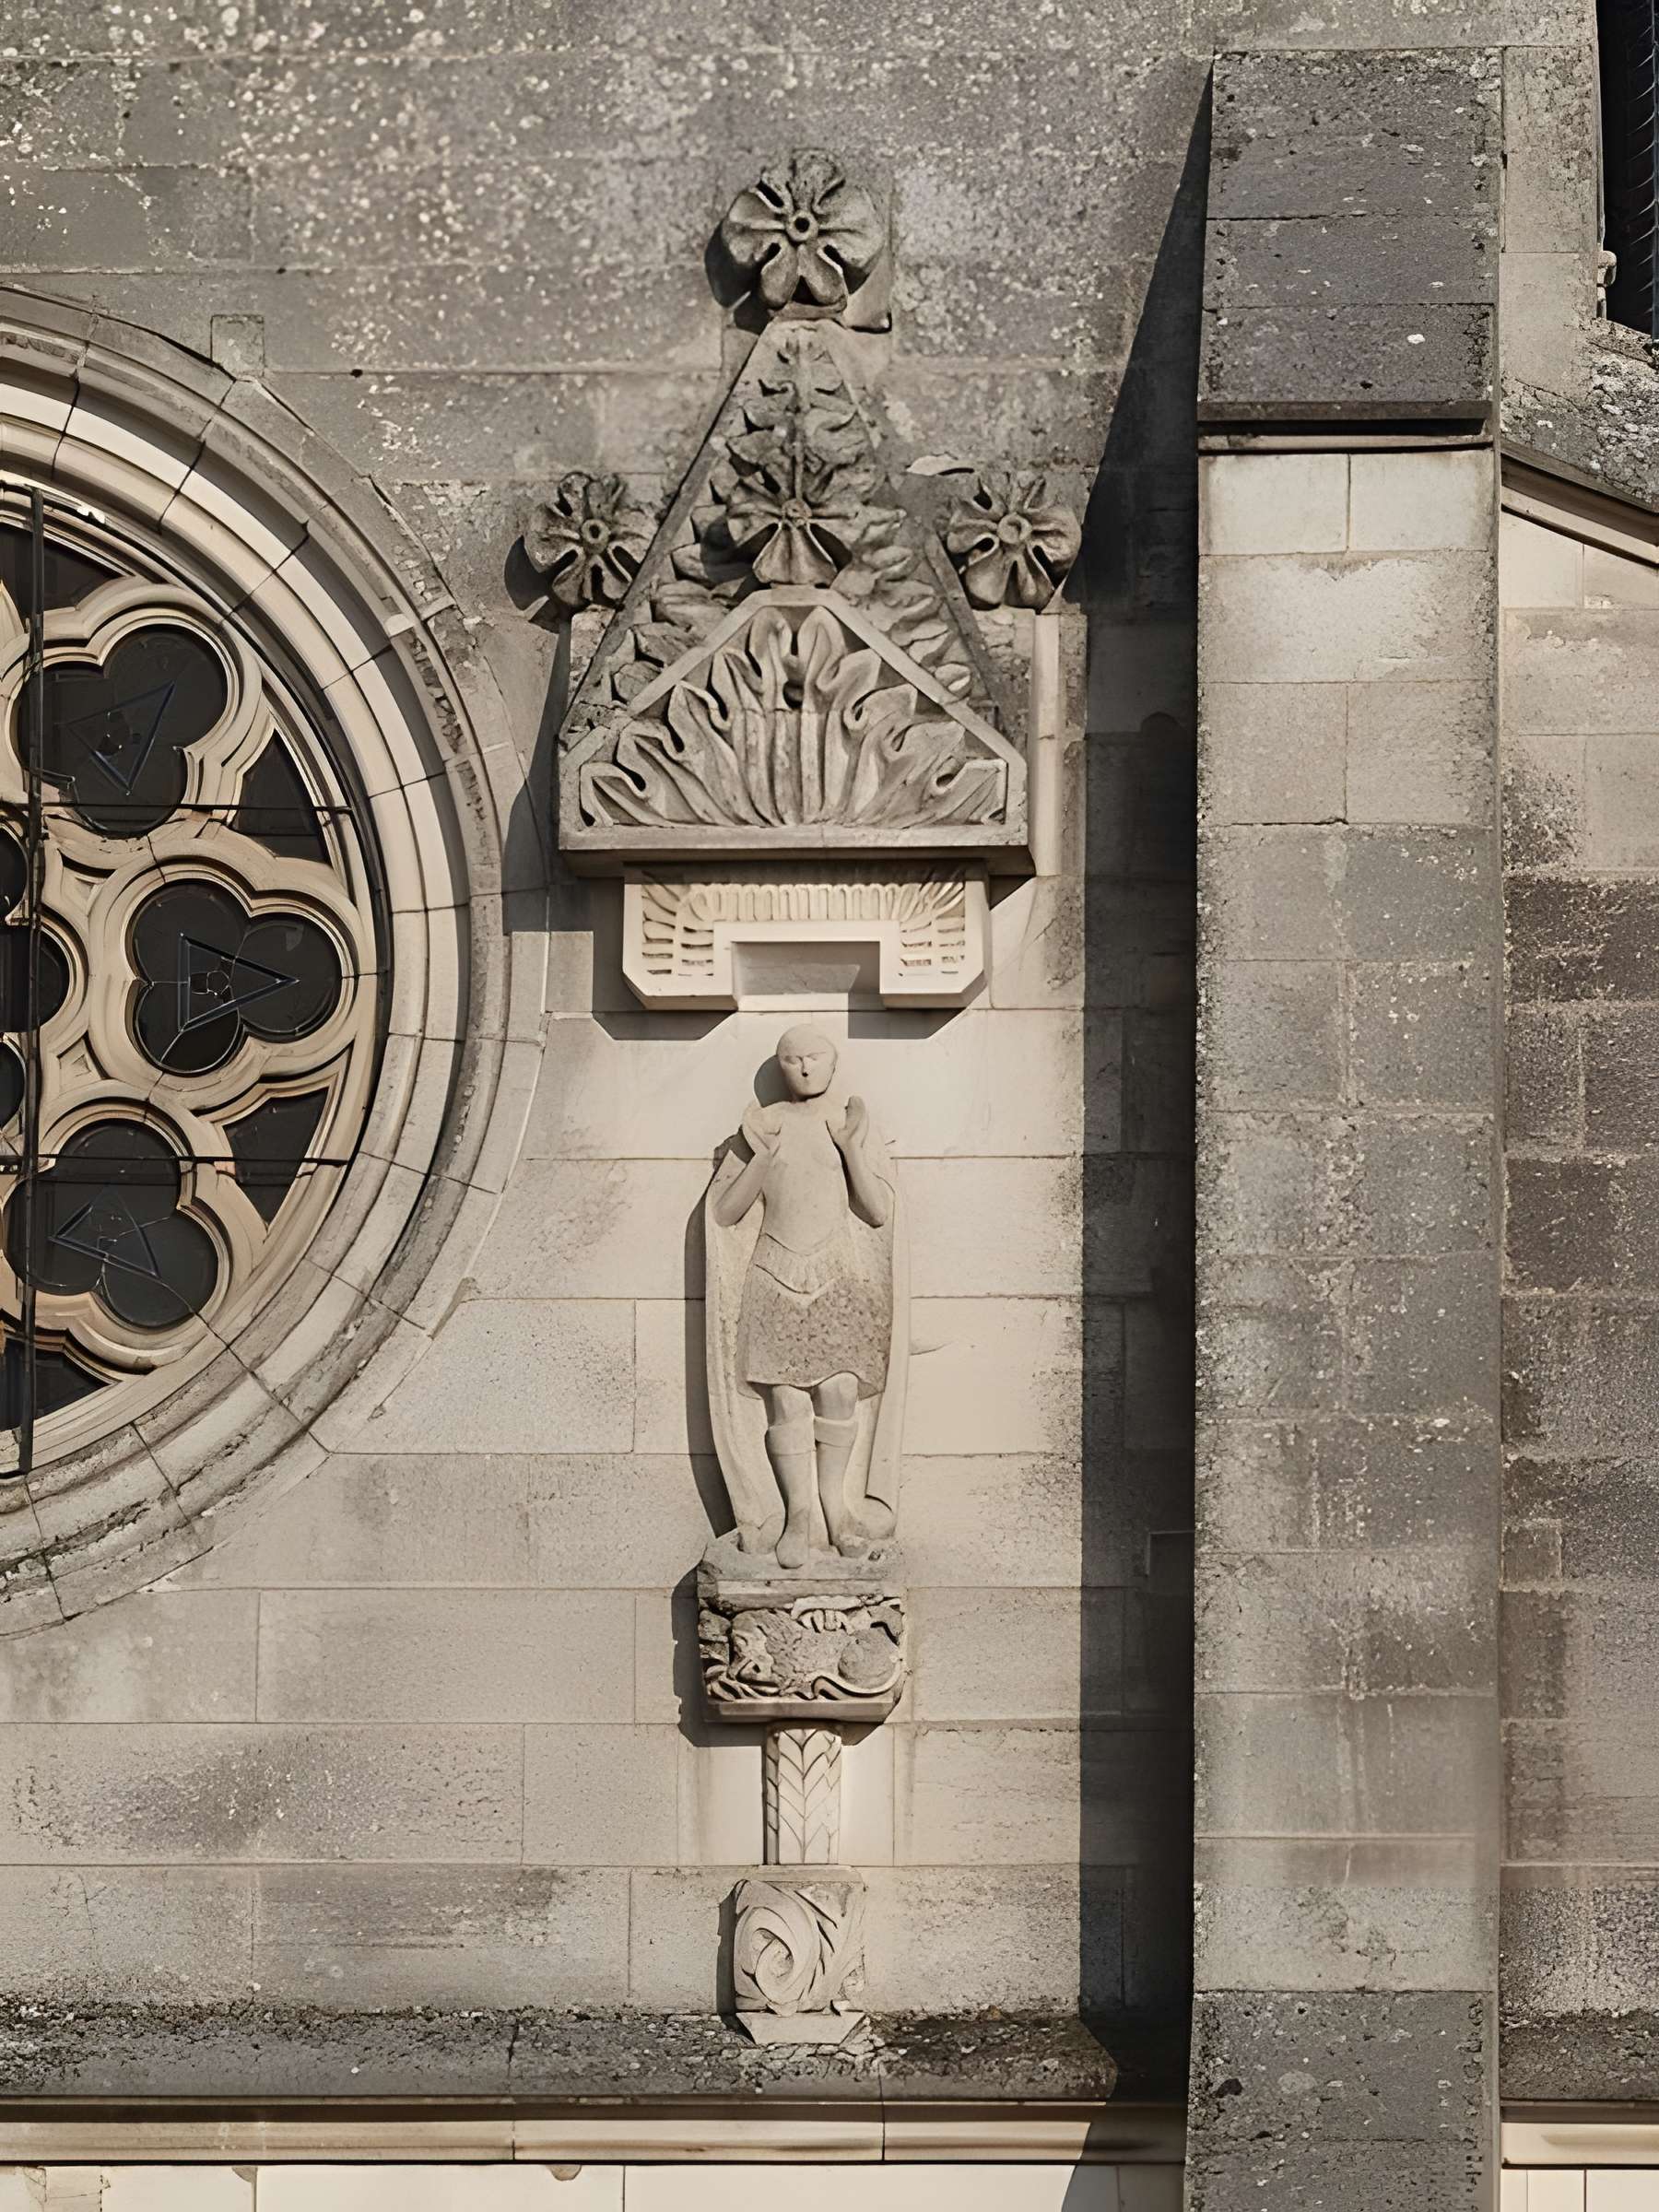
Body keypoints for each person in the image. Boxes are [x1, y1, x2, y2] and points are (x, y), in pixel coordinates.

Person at [712, 1026, 894, 1568]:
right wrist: (762, 1158)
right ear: (780, 1066)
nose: (804, 1068)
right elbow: (725, 1213)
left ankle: (836, 1510)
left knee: (839, 1387)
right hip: (774, 1268)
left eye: (813, 1058)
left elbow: (878, 1210)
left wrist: (851, 1149)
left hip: (836, 1269)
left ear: (833, 1064)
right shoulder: (763, 1124)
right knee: (786, 1396)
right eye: (791, 1060)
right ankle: (799, 1516)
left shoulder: (850, 1122)